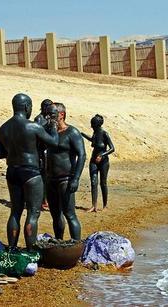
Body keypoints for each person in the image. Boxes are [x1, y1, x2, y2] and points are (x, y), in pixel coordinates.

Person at [0, 93, 58, 251]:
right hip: (31, 172)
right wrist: (53, 125)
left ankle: (12, 248)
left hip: (12, 171)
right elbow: (54, 143)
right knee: (33, 213)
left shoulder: (3, 128)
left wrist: (14, 150)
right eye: (30, 107)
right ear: (26, 107)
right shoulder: (32, 126)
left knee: (15, 212)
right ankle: (30, 250)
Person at [45, 102, 86, 240]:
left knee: (70, 214)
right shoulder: (48, 131)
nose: (49, 117)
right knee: (55, 215)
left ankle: (76, 244)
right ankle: (58, 241)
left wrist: (76, 179)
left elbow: (82, 155)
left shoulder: (72, 132)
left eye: (52, 114)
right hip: (50, 179)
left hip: (66, 179)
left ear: (61, 115)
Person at [81, 114, 115, 212]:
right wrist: (82, 134)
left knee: (103, 183)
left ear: (97, 125)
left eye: (92, 124)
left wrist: (102, 155)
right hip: (93, 160)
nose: (91, 126)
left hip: (103, 162)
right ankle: (93, 206)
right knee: (93, 182)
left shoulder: (105, 134)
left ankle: (105, 205)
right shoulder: (95, 133)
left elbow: (112, 148)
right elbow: (93, 141)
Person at [34, 99, 54, 211]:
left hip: (48, 150)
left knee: (48, 177)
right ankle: (43, 201)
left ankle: (46, 200)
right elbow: (38, 135)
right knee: (42, 176)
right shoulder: (39, 119)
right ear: (45, 107)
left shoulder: (48, 118)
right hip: (40, 151)